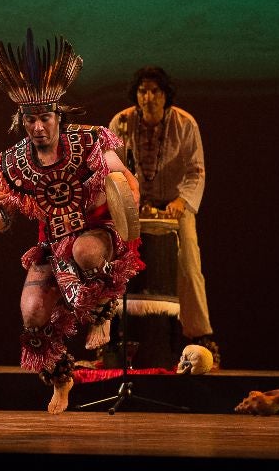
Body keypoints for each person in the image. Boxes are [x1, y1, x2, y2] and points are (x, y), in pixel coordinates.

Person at [0, 29, 144, 414]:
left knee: (85, 251)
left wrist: (119, 193)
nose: (38, 127)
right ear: (22, 121)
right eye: (30, 120)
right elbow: (3, 225)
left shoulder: (88, 143)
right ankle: (60, 378)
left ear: (58, 115)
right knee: (32, 315)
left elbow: (126, 183)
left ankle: (101, 312)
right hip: (53, 244)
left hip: (97, 234)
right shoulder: (10, 163)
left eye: (44, 118)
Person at [108, 66, 219, 367]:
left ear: (165, 94)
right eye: (143, 91)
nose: (148, 97)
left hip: (175, 205)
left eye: (155, 91)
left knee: (189, 265)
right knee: (111, 261)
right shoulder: (121, 123)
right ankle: (107, 338)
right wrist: (129, 198)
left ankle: (200, 336)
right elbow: (111, 168)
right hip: (132, 204)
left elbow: (196, 171)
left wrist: (182, 201)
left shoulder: (185, 124)